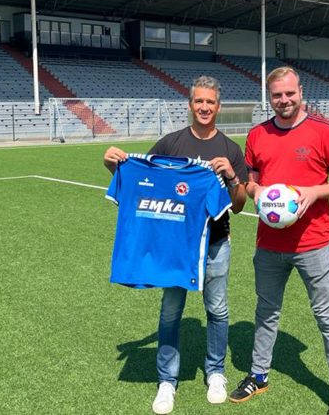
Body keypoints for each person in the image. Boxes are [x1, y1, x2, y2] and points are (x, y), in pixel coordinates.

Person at [103, 75, 248, 415]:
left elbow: (239, 204)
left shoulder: (230, 149)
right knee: (171, 312)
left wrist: (231, 176)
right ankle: (167, 380)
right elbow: (143, 182)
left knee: (218, 310)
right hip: (175, 247)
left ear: (218, 106)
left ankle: (216, 372)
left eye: (210, 102)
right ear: (190, 104)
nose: (204, 107)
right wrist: (115, 166)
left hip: (215, 244)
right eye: (199, 101)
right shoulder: (169, 144)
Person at [229, 67, 329, 415]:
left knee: (327, 316)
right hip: (269, 244)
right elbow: (251, 181)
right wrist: (258, 193)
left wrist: (314, 191)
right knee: (266, 312)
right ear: (268, 97)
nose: (283, 101)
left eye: (289, 94)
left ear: (301, 91)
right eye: (276, 95)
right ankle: (258, 374)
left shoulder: (323, 130)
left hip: (314, 242)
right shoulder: (257, 134)